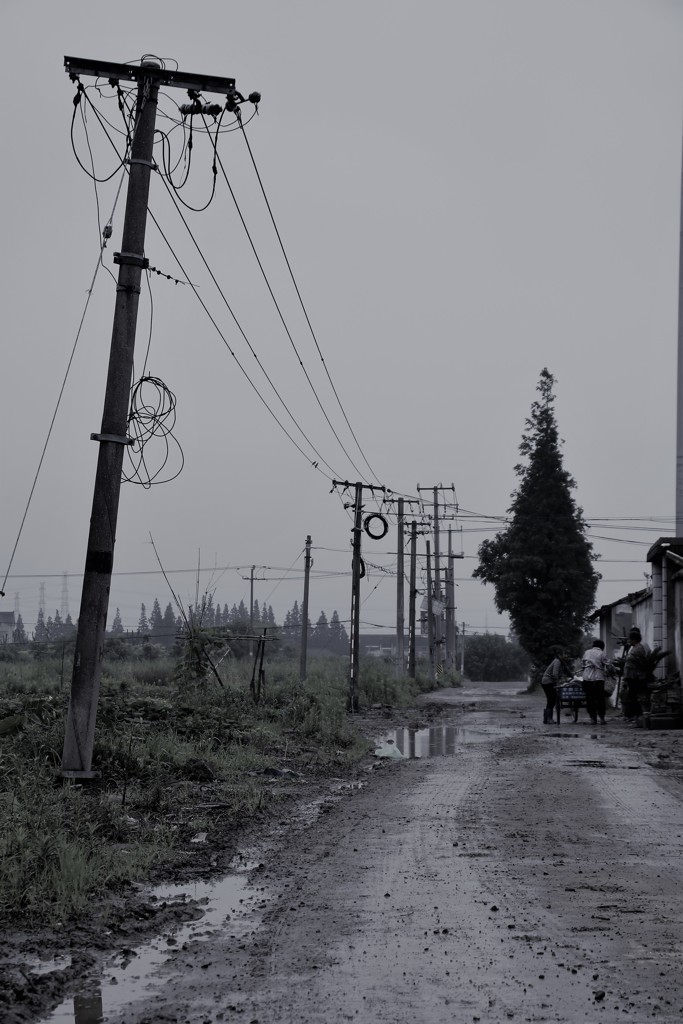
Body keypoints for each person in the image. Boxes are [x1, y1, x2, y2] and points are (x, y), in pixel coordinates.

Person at [621, 626, 651, 724]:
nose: (628, 640)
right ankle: (635, 716)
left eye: (629, 639)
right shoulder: (633, 648)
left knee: (635, 696)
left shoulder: (638, 648)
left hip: (636, 677)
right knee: (632, 696)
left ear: (634, 640)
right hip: (631, 676)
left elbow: (636, 663)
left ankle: (638, 716)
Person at [581, 638, 613, 725]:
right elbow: (608, 665)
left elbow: (582, 665)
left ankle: (592, 718)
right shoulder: (602, 653)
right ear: (602, 647)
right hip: (598, 679)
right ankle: (602, 718)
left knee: (590, 698)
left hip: (587, 678)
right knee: (600, 699)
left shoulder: (586, 652)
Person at [541, 648, 573, 723]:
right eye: (565, 655)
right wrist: (558, 682)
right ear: (560, 655)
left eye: (567, 655)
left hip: (551, 682)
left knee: (552, 699)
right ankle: (548, 719)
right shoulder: (557, 662)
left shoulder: (563, 663)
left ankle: (547, 719)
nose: (566, 657)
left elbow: (568, 671)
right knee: (551, 699)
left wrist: (573, 677)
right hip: (547, 682)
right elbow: (555, 674)